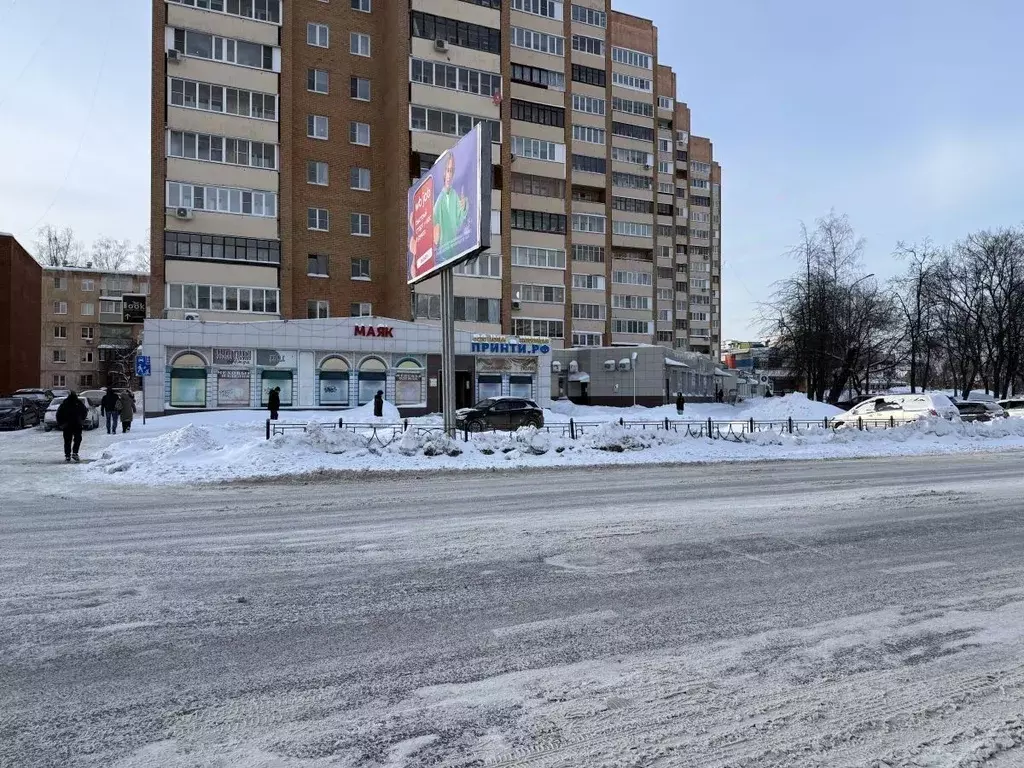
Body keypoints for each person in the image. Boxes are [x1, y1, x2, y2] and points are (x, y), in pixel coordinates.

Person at [432, 153, 469, 263]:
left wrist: (464, 205)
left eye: (452, 171)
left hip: (453, 251)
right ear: (444, 172)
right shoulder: (439, 199)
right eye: (448, 170)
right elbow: (432, 223)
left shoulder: (454, 195)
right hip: (441, 255)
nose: (449, 175)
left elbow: (459, 221)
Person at [56, 391, 88, 463]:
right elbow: (84, 411)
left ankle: (68, 455)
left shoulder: (65, 403)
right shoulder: (77, 403)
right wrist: (82, 420)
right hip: (76, 424)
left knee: (68, 440)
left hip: (68, 425)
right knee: (76, 439)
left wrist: (61, 423)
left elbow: (58, 414)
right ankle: (74, 453)